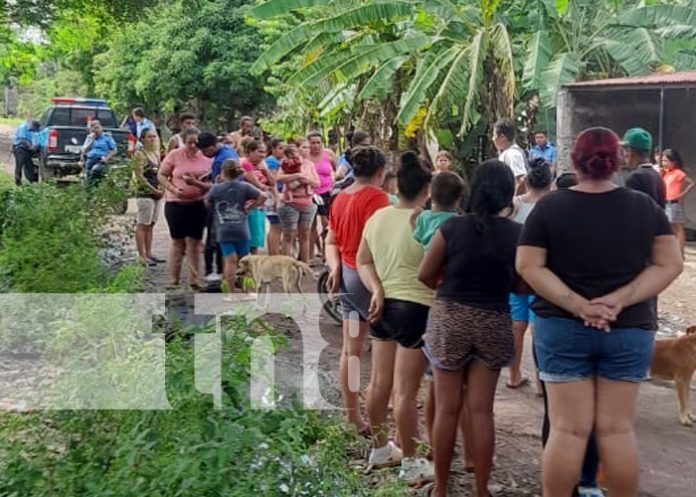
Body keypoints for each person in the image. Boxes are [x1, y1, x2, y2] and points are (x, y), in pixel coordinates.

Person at [516, 127, 682, 497]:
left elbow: (528, 266)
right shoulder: (644, 207)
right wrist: (619, 300)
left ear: (575, 161)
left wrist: (578, 304)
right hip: (628, 330)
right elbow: (670, 264)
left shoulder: (550, 207)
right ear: (617, 160)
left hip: (561, 327)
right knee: (617, 430)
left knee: (566, 430)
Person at [418, 160, 520, 497]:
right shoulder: (516, 234)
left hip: (450, 317)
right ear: (508, 193)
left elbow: (425, 274)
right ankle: (481, 490)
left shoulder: (452, 228)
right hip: (493, 318)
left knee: (447, 408)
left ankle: (442, 489)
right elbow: (522, 285)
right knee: (482, 411)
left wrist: (445, 289)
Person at [357, 151, 434, 482]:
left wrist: (376, 289)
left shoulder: (378, 218)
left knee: (378, 382)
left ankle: (380, 448)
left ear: (396, 186)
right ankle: (412, 463)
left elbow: (363, 261)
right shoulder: (426, 221)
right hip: (416, 307)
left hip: (381, 306)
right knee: (405, 391)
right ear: (426, 189)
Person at [539, 168, 605, 497]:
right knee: (593, 417)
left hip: (556, 326)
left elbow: (529, 271)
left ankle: (559, 485)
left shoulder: (549, 216)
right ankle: (590, 484)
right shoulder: (607, 218)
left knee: (559, 419)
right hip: (602, 325)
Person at [325, 145, 390, 435]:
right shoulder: (378, 198)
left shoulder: (339, 198)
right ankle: (381, 418)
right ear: (380, 172)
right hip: (371, 278)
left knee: (350, 351)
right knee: (385, 349)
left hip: (348, 276)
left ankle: (353, 415)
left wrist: (334, 267)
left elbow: (330, 240)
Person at [507, 158, 553, 390]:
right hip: (543, 275)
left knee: (517, 325)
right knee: (538, 328)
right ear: (550, 183)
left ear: (526, 180)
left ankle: (513, 375)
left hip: (516, 273)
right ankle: (540, 380)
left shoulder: (515, 204)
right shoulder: (552, 206)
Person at [157, 127, 212, 290]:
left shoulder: (206, 158)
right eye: (189, 143)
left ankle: (194, 279)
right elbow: (161, 175)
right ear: (184, 142)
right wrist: (173, 189)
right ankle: (173, 279)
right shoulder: (175, 155)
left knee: (195, 242)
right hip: (176, 204)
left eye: (196, 143)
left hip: (198, 204)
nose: (193, 146)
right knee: (177, 241)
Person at [205, 160, 266, 300]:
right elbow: (263, 196)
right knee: (244, 261)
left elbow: (206, 202)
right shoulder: (244, 187)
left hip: (223, 230)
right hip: (242, 229)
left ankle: (230, 293)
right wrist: (249, 208)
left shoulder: (216, 188)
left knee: (229, 261)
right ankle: (247, 292)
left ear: (222, 172)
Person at [195, 131, 240, 282]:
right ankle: (221, 270)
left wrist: (195, 183)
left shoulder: (221, 159)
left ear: (214, 145)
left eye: (206, 151)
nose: (205, 154)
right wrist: (209, 174)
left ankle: (211, 271)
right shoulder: (228, 152)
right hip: (230, 203)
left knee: (214, 240)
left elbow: (216, 187)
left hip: (221, 205)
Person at [278, 139, 320, 263]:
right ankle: (286, 265)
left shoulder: (310, 164)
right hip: (290, 203)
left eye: (307, 148)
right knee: (289, 235)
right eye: (303, 147)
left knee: (305, 235)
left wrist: (307, 180)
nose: (306, 150)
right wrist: (297, 176)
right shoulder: (286, 163)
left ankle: (305, 264)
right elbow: (279, 178)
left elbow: (317, 183)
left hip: (307, 202)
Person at [133, 129, 165, 266]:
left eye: (154, 137)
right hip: (145, 194)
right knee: (143, 224)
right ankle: (141, 256)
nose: (152, 140)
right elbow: (139, 176)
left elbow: (160, 174)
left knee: (151, 224)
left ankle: (149, 253)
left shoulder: (156, 154)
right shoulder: (140, 155)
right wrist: (152, 189)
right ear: (143, 139)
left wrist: (162, 188)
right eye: (149, 137)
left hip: (156, 193)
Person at [411, 171, 464, 250]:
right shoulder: (456, 221)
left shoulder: (423, 216)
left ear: (431, 194)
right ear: (458, 200)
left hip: (427, 258)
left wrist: (412, 221)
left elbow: (418, 237)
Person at [240, 140, 275, 254]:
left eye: (264, 152)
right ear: (250, 151)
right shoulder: (245, 164)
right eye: (260, 151)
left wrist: (265, 170)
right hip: (247, 206)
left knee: (255, 241)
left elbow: (272, 182)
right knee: (246, 241)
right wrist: (265, 188)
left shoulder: (262, 165)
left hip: (259, 206)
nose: (263, 155)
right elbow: (258, 184)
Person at [307, 131, 336, 259]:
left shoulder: (329, 154)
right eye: (313, 143)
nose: (316, 145)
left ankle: (326, 254)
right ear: (309, 144)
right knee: (310, 226)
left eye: (319, 143)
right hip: (310, 194)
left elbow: (335, 170)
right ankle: (310, 255)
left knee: (326, 225)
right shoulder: (305, 156)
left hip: (326, 193)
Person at [661, 149, 694, 257]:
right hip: (667, 202)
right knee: (672, 228)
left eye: (666, 161)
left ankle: (680, 253)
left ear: (673, 162)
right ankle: (674, 251)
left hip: (675, 203)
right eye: (663, 161)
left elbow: (691, 183)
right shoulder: (665, 173)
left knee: (678, 228)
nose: (663, 163)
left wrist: (682, 195)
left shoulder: (678, 173)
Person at [622, 128, 666, 209]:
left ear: (629, 152)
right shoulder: (656, 175)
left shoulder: (635, 177)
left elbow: (632, 212)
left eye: (624, 150)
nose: (623, 154)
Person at [492, 118, 527, 193]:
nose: (493, 139)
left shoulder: (513, 154)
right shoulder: (507, 153)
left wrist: (512, 202)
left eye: (494, 135)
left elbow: (520, 181)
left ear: (502, 137)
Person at [265, 138, 286, 255]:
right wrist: (276, 198)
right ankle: (274, 254)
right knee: (276, 227)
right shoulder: (272, 162)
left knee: (277, 227)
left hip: (277, 195)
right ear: (273, 149)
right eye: (280, 148)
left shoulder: (278, 161)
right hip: (274, 195)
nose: (283, 151)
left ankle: (273, 253)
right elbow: (272, 182)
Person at [80, 120, 117, 185]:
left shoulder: (107, 137)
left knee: (95, 171)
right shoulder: (89, 138)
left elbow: (114, 150)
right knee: (88, 175)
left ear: (101, 127)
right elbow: (84, 150)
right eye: (94, 129)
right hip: (90, 159)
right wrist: (91, 141)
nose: (97, 130)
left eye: (98, 128)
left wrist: (107, 159)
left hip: (101, 160)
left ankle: (95, 187)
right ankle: (89, 190)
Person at [12, 118, 39, 185]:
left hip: (26, 149)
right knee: (20, 164)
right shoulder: (23, 127)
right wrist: (30, 146)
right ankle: (18, 182)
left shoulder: (31, 129)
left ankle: (31, 181)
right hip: (19, 148)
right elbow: (22, 140)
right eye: (33, 129)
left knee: (29, 165)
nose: (33, 131)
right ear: (31, 125)